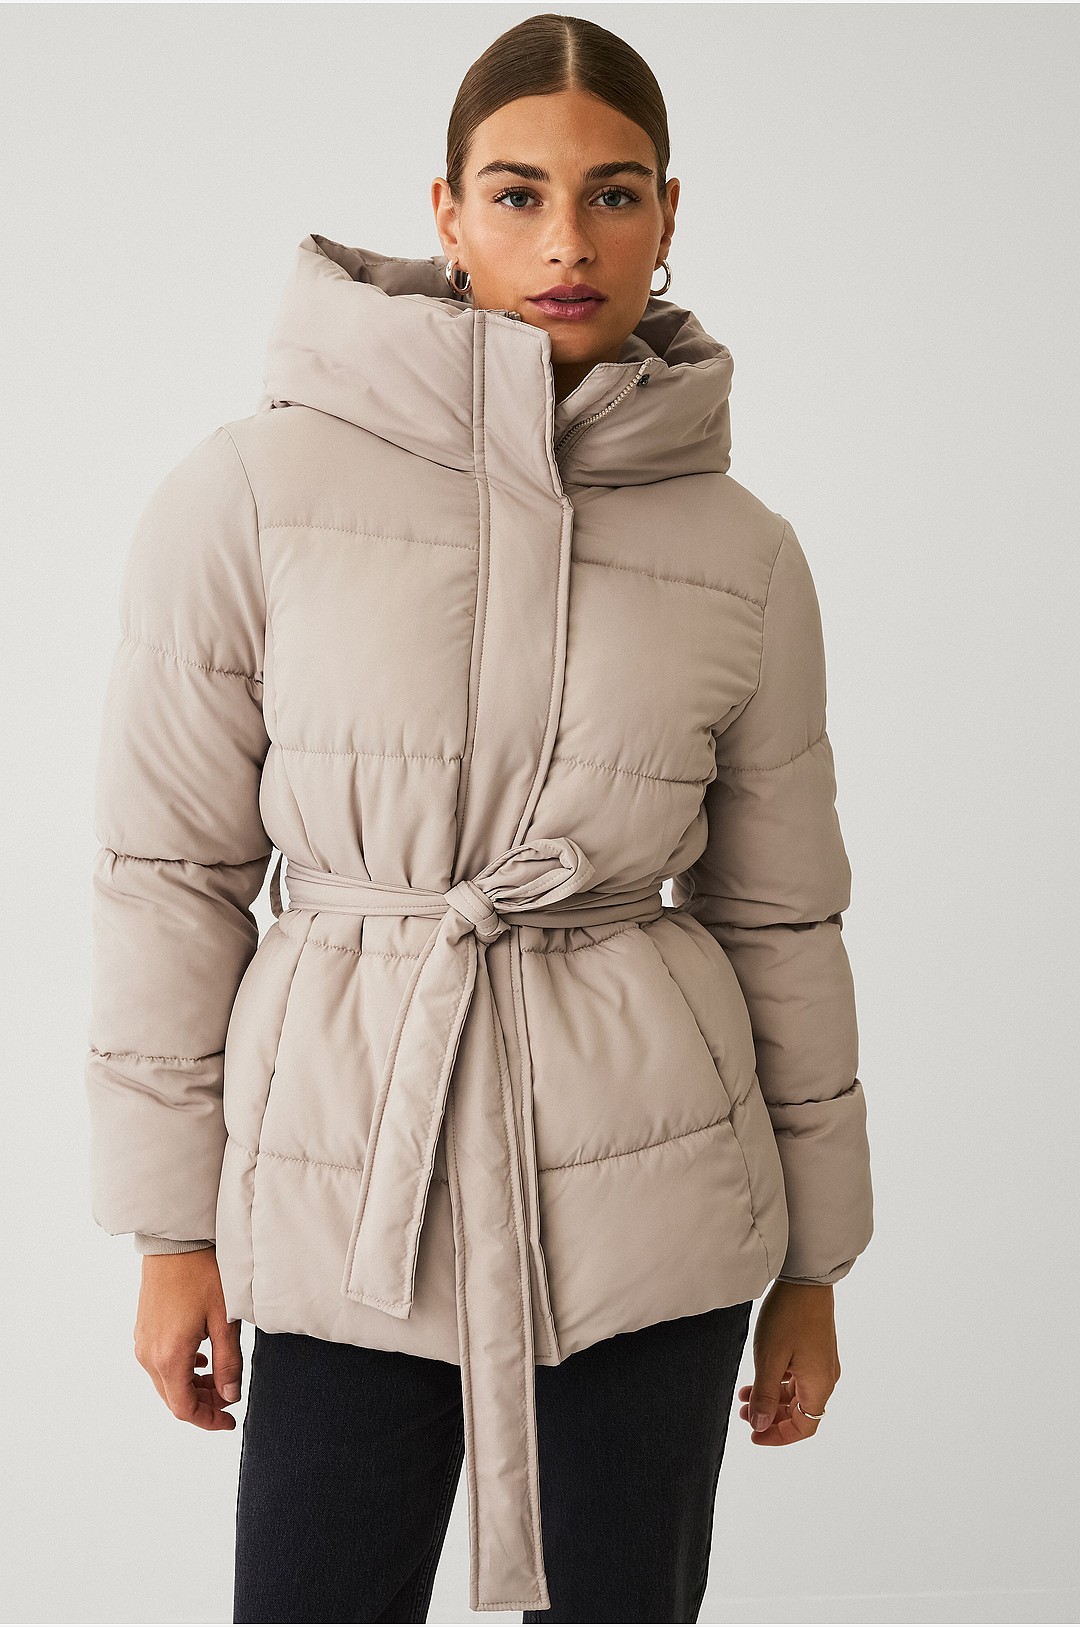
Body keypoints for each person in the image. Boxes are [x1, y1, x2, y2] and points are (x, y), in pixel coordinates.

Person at [84, 12, 874, 1624]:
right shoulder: (251, 493)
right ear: (444, 213)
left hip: (656, 1196)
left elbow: (783, 918)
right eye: (517, 194)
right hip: (342, 1182)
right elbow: (169, 876)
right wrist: (170, 1234)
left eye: (614, 194)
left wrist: (814, 1263)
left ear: (668, 214)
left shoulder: (745, 551)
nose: (567, 242)